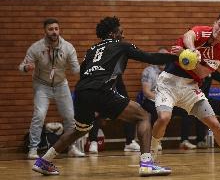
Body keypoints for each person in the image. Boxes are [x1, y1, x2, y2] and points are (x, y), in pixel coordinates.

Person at [32, 16, 179, 176]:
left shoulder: (91, 50)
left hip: (82, 92)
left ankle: (44, 161)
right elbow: (150, 58)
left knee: (79, 130)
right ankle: (147, 164)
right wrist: (176, 57)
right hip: (101, 90)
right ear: (113, 33)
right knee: (143, 116)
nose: (123, 36)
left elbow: (83, 72)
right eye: (121, 33)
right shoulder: (122, 46)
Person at [151, 12, 220, 171]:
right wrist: (191, 51)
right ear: (215, 23)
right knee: (164, 118)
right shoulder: (202, 31)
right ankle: (150, 160)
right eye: (219, 25)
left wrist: (183, 57)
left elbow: (202, 73)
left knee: (215, 124)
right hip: (169, 82)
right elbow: (188, 36)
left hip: (191, 88)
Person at [19, 18, 85, 159]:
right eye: (51, 29)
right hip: (42, 85)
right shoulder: (36, 48)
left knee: (70, 117)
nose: (54, 32)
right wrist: (26, 67)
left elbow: (75, 69)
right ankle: (33, 149)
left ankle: (72, 147)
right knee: (39, 115)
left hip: (61, 85)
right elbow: (21, 66)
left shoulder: (68, 47)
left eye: (56, 29)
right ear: (45, 31)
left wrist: (86, 71)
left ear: (59, 30)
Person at [141, 47, 196, 150]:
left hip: (169, 101)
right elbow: (147, 92)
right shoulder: (149, 71)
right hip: (151, 100)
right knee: (157, 113)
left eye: (166, 57)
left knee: (187, 112)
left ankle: (184, 141)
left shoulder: (173, 71)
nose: (164, 59)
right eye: (161, 57)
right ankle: (155, 142)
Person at [88, 75, 140, 154]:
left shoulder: (117, 74)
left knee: (130, 112)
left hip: (115, 103)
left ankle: (129, 142)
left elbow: (123, 93)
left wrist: (126, 104)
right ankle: (93, 142)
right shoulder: (97, 73)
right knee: (93, 112)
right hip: (100, 103)